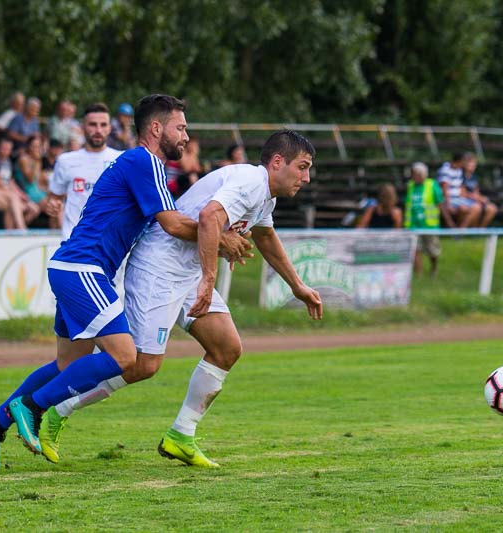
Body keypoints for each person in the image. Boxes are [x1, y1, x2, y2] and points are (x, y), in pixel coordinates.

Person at [0, 94, 251, 468]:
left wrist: (216, 236)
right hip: (83, 269)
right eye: (180, 127)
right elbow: (171, 224)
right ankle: (32, 408)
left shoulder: (140, 166)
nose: (186, 136)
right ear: (156, 128)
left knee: (67, 364)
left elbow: (167, 226)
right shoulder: (144, 161)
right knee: (125, 356)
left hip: (73, 267)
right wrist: (219, 237)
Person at [40, 130, 322, 468]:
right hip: (158, 268)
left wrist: (297, 286)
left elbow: (266, 236)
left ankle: (181, 435)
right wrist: (209, 279)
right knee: (142, 365)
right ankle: (58, 410)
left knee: (227, 348)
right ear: (277, 162)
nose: (306, 178)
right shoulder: (250, 181)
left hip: (187, 273)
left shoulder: (266, 197)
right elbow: (210, 217)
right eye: (302, 167)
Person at [47, 102, 123, 240]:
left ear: (109, 128)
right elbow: (54, 199)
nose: (98, 130)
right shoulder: (65, 160)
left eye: (103, 125)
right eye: (93, 124)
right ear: (82, 127)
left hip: (109, 243)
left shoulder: (121, 160)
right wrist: (52, 206)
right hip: (74, 242)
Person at [403, 162, 444, 277]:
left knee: (433, 250)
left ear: (423, 174)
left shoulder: (432, 185)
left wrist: (447, 221)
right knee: (416, 249)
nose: (413, 176)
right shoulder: (410, 186)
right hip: (413, 224)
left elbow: (440, 203)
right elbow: (408, 204)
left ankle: (434, 269)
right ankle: (419, 274)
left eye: (415, 174)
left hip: (429, 225)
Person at [15, 135, 59, 228]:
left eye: (38, 146)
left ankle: (55, 232)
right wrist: (36, 161)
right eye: (34, 146)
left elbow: (38, 182)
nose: (37, 149)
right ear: (29, 147)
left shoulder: (38, 160)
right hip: (26, 192)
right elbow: (30, 180)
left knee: (55, 205)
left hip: (37, 191)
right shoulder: (24, 159)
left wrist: (47, 190)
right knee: (52, 207)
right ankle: (17, 229)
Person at [438, 153, 481, 228]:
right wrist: (448, 204)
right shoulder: (445, 170)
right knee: (465, 209)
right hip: (449, 200)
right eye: (464, 162)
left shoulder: (458, 170)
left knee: (477, 207)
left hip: (458, 199)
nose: (465, 164)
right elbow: (444, 188)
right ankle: (460, 231)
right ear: (459, 161)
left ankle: (460, 230)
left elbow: (461, 187)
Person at [461, 153, 498, 227]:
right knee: (477, 208)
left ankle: (481, 229)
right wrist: (478, 198)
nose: (473, 165)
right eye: (471, 163)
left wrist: (481, 198)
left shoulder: (474, 177)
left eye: (474, 163)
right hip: (464, 200)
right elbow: (463, 194)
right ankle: (462, 230)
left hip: (474, 200)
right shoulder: (460, 175)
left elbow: (476, 191)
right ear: (464, 164)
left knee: (492, 208)